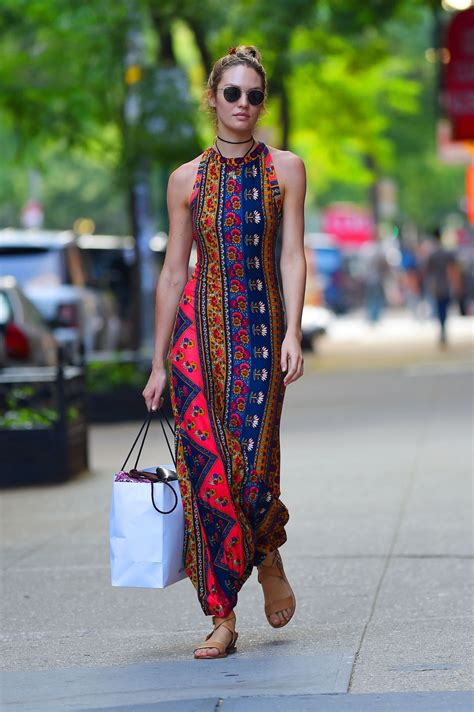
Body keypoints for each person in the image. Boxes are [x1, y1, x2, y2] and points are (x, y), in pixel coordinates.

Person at [142, 45, 307, 659]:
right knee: (205, 474)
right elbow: (172, 273)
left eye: (254, 95)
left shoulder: (286, 169)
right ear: (213, 98)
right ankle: (222, 614)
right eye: (232, 93)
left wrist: (293, 332)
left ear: (263, 103)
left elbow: (292, 255)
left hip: (262, 335)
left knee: (252, 468)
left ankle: (268, 555)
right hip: (196, 344)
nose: (243, 104)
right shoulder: (186, 179)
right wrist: (159, 361)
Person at [424, 228, 461, 346]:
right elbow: (453, 270)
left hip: (435, 285)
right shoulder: (447, 253)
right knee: (444, 308)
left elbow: (427, 272)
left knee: (439, 308)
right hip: (446, 285)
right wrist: (456, 284)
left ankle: (442, 328)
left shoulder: (431, 254)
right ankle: (443, 328)